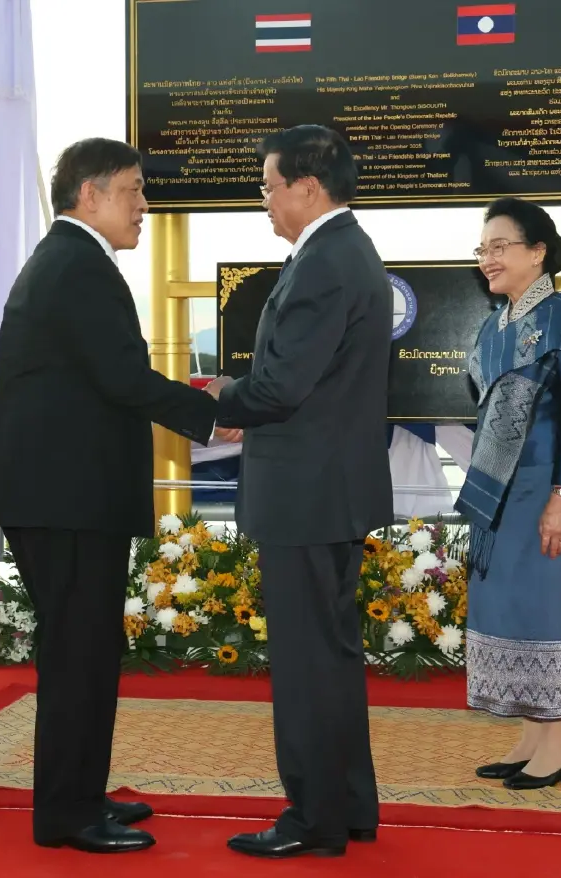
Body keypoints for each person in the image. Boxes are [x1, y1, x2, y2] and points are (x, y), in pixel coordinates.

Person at [0, 138, 217, 853]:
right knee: (78, 655)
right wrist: (210, 414)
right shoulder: (76, 265)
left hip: (68, 495)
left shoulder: (74, 260)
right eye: (134, 190)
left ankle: (80, 793)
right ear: (91, 193)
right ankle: (64, 814)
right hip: (65, 499)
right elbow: (122, 375)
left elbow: (103, 378)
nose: (144, 205)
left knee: (85, 652)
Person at [205, 125, 393, 859]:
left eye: (267, 186)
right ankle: (346, 807)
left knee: (308, 664)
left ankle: (312, 820)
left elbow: (281, 385)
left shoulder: (322, 261)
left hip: (306, 495)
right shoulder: (347, 251)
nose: (265, 201)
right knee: (333, 656)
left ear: (307, 186)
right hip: (331, 489)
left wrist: (222, 394)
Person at [455, 197, 561, 790]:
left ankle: (560, 744)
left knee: (546, 602)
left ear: (537, 252)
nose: (488, 259)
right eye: (482, 249)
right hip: (501, 491)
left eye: (500, 247)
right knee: (509, 604)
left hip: (547, 481)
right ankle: (530, 735)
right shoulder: (497, 325)